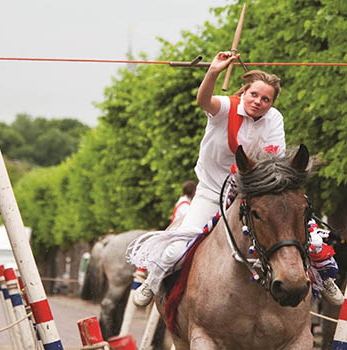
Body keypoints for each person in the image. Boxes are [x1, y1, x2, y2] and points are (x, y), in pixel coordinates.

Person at [127, 51, 343, 307]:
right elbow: (203, 99)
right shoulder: (225, 107)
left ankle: (322, 275)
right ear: (244, 93)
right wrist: (214, 71)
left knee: (306, 235)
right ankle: (152, 282)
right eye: (254, 95)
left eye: (266, 99)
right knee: (178, 249)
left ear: (272, 103)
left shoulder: (274, 120)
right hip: (212, 190)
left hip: (253, 190)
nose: (258, 102)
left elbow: (273, 163)